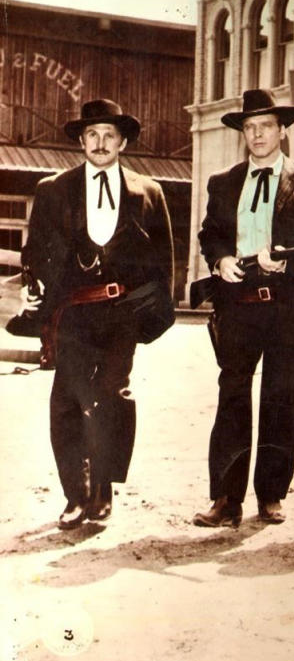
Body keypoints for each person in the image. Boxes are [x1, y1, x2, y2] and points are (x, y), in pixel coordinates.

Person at [21, 98, 174, 530]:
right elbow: (34, 251)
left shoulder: (148, 191)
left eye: (109, 135)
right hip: (73, 311)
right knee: (67, 399)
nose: (101, 143)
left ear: (122, 141)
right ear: (81, 141)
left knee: (111, 393)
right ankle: (75, 494)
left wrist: (152, 315)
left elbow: (163, 259)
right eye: (93, 135)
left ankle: (103, 487)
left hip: (122, 310)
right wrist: (52, 287)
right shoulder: (53, 189)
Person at [193, 89, 294, 527]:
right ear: (243, 133)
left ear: (283, 130)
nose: (257, 135)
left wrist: (286, 257)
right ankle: (225, 499)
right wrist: (220, 260)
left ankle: (271, 495)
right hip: (237, 306)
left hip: (287, 308)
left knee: (281, 400)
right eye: (249, 128)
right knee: (232, 396)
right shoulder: (223, 181)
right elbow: (210, 233)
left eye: (266, 126)